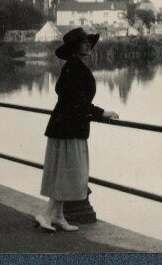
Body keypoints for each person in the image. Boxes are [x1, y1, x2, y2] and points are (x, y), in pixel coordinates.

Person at [34, 28, 119, 232]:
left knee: (68, 172)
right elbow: (76, 101)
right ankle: (46, 214)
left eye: (89, 43)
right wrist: (101, 112)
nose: (89, 45)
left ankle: (58, 216)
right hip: (68, 128)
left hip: (67, 126)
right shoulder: (75, 67)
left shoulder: (74, 66)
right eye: (85, 43)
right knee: (69, 173)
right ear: (75, 48)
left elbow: (71, 98)